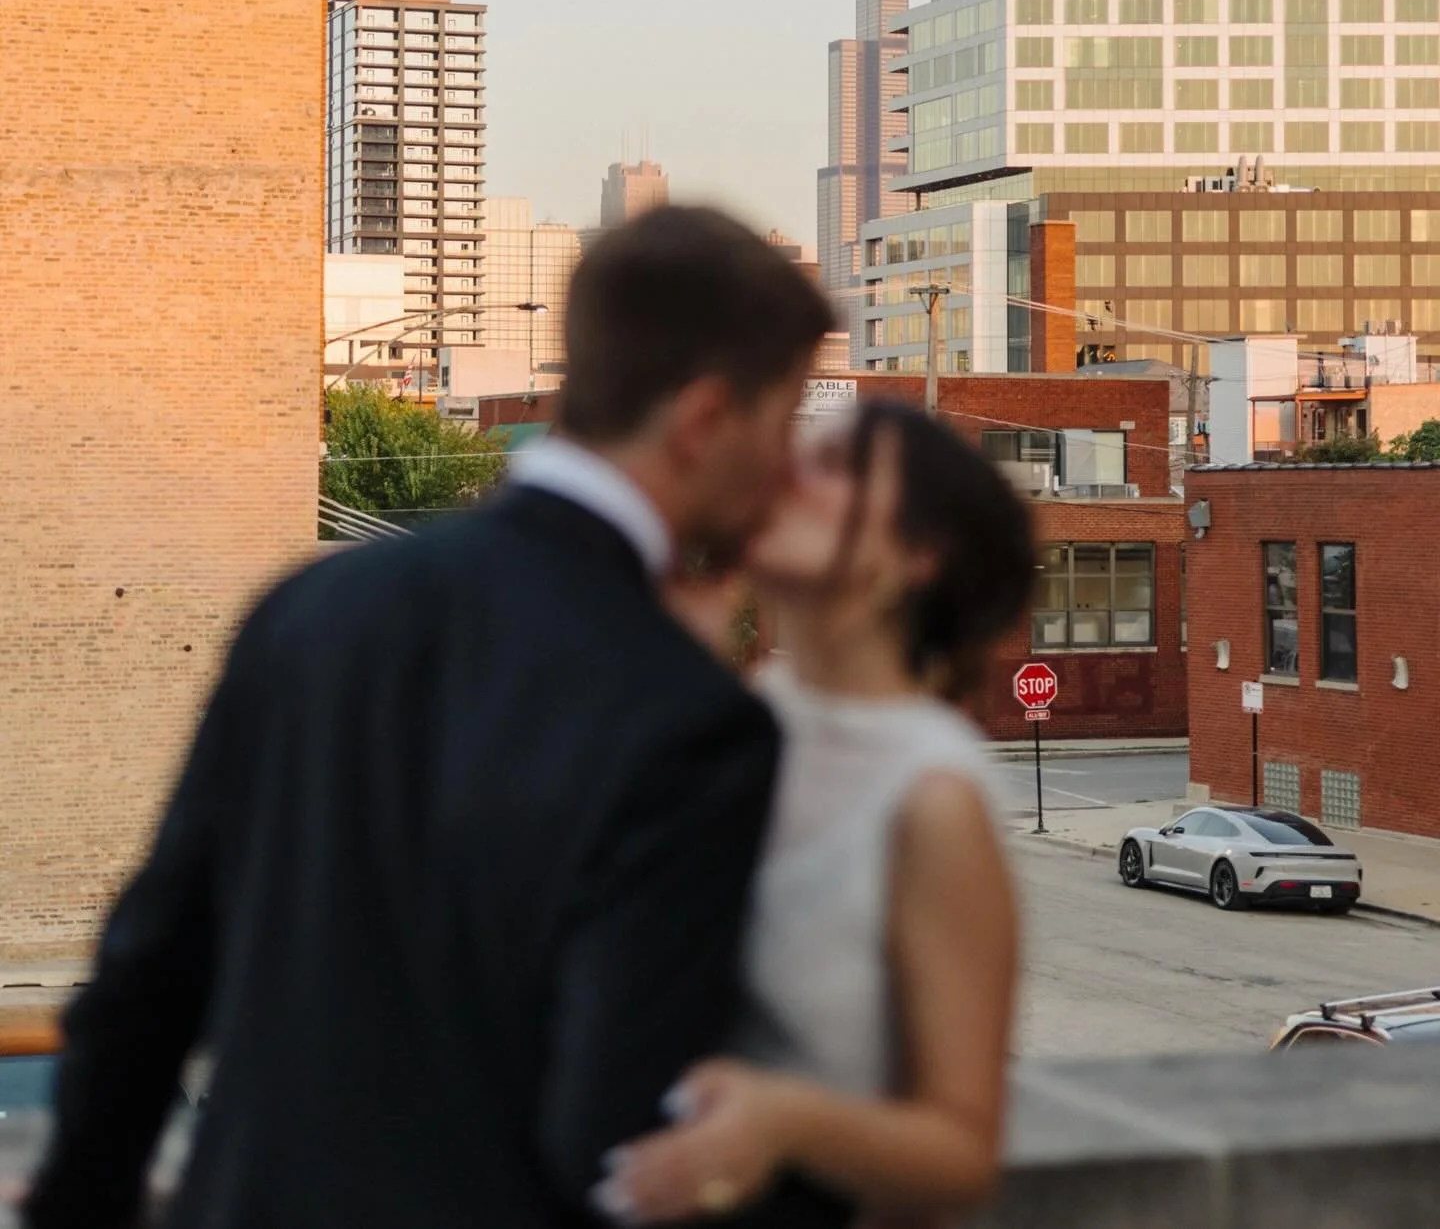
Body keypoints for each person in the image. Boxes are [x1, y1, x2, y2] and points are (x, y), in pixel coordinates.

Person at [23, 206, 845, 1229]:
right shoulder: (686, 716)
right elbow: (616, 1132)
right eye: (784, 423)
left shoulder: (312, 608)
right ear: (703, 419)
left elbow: (146, 977)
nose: (789, 473)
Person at [596, 401, 1035, 1225]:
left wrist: (783, 1120)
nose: (785, 474)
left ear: (917, 553)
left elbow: (963, 1153)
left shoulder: (932, 795)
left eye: (833, 464)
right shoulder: (727, 717)